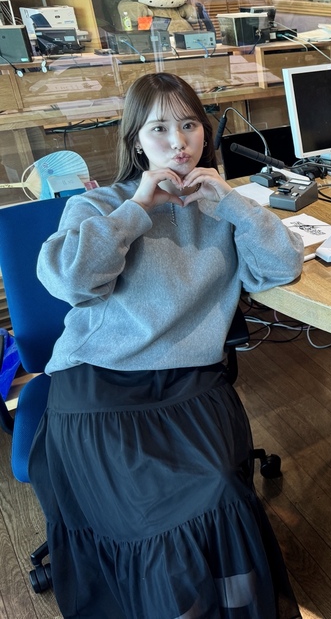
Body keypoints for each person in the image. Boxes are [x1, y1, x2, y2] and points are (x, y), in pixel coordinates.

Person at [31, 73, 305, 617]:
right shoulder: (101, 204)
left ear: (205, 133)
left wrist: (234, 205)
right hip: (99, 385)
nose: (178, 141)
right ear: (136, 141)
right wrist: (137, 209)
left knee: (218, 494)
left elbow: (282, 265)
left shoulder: (221, 207)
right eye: (159, 128)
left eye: (189, 125)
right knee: (154, 518)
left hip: (190, 384)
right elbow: (69, 281)